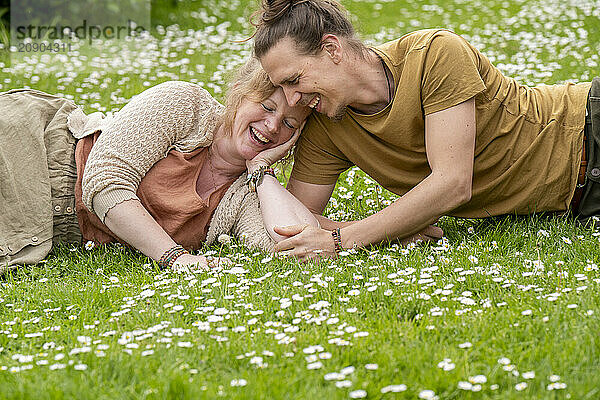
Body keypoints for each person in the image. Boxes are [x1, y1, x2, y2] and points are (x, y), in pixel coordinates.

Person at [251, 0, 598, 261]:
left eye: (294, 80)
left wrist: (346, 240)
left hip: (589, 130)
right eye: (283, 87)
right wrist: (261, 171)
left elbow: (452, 184)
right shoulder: (327, 125)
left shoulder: (434, 54)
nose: (293, 98)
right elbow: (297, 219)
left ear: (332, 49)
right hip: (579, 205)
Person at [0, 58, 319, 272]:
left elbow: (299, 244)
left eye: (290, 124)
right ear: (237, 93)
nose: (273, 126)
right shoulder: (185, 105)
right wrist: (175, 257)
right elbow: (105, 182)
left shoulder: (244, 193)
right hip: (31, 151)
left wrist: (262, 172)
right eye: (266, 106)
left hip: (39, 224)